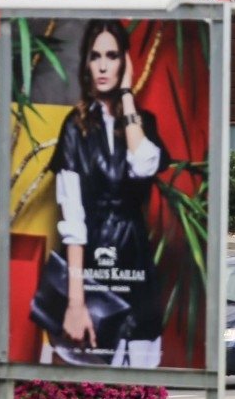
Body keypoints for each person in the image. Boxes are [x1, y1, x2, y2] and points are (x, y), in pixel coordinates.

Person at [46, 20, 170, 367]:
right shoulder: (75, 127)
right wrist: (76, 302)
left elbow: (144, 165)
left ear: (124, 63)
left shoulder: (143, 122)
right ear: (86, 63)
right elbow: (72, 221)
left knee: (144, 364)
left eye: (112, 56)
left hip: (136, 257)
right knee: (95, 368)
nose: (102, 65)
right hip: (90, 261)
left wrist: (127, 96)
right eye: (95, 56)